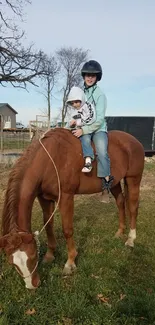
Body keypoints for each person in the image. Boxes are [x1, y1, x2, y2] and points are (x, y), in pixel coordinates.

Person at [72, 60, 114, 203]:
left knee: (102, 152)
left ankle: (106, 185)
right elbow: (77, 111)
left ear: (97, 78)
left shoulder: (100, 95)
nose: (90, 78)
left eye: (93, 76)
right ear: (84, 76)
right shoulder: (80, 93)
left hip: (98, 128)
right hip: (83, 126)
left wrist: (84, 130)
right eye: (87, 75)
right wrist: (69, 124)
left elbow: (100, 118)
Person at [66, 86, 96, 172]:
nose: (74, 105)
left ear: (81, 99)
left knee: (85, 139)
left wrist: (78, 123)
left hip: (87, 129)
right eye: (72, 103)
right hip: (77, 130)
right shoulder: (73, 111)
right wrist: (71, 124)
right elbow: (70, 122)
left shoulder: (88, 106)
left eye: (76, 102)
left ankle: (88, 161)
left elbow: (91, 118)